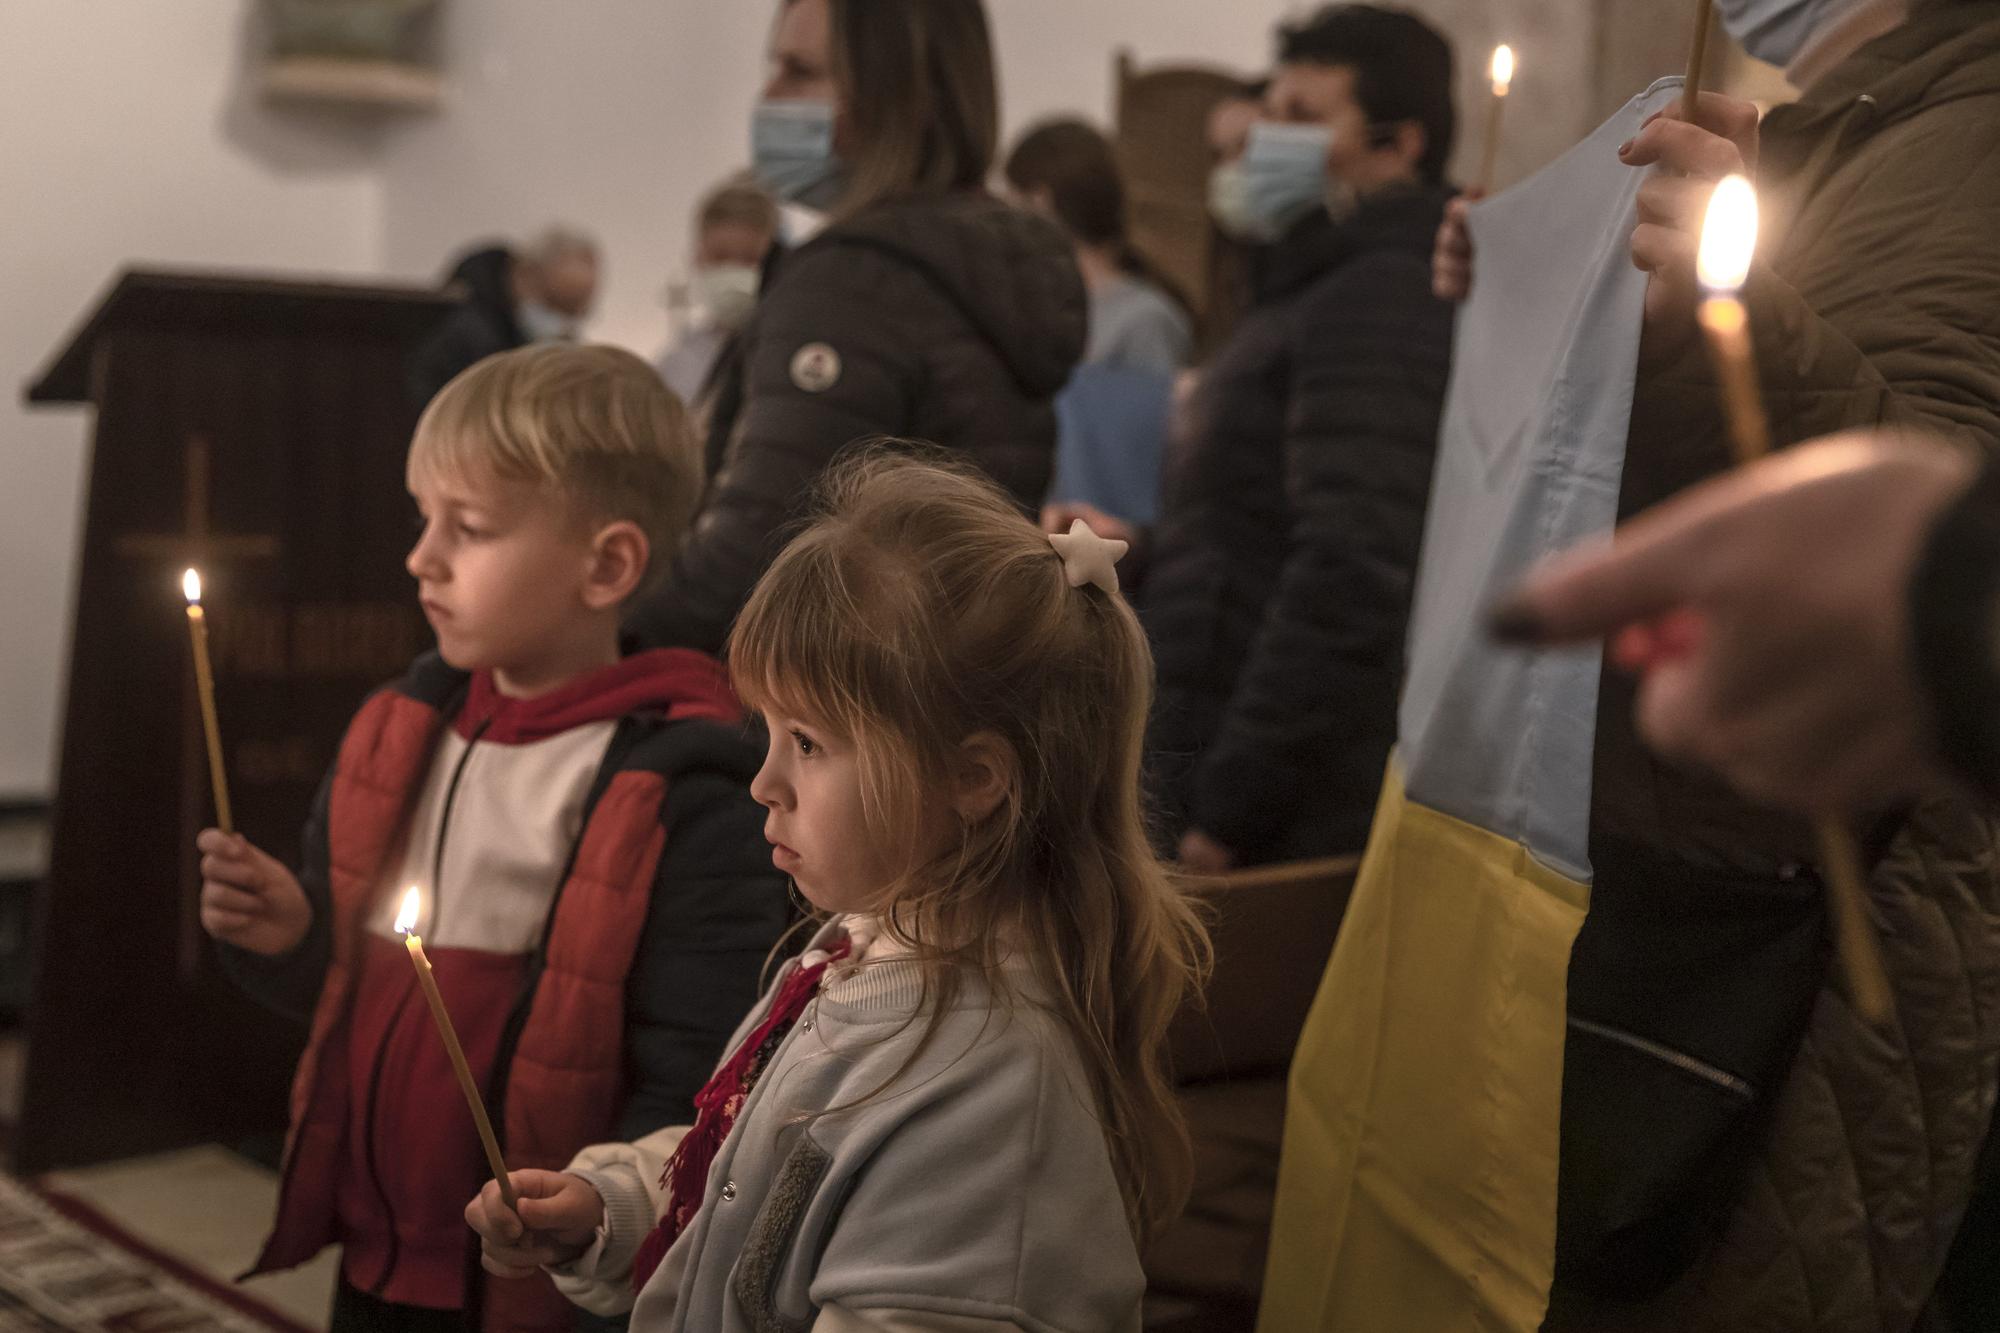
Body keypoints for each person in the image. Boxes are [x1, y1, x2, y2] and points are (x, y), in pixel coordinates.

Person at [1429, 1, 2000, 1326]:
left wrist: (1708, 323)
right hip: (1717, 866)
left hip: (1808, 914)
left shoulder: (1972, 137)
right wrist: (1545, 279)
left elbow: (1922, 520)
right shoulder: (1873, 127)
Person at [461, 454, 1208, 1331]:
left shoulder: (988, 1091)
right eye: (768, 732)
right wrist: (613, 1207)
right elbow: (758, 1176)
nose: (764, 781)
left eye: (809, 742)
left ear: (971, 777)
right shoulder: (860, 952)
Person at [196, 345, 793, 1332]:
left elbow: (693, 1077)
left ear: (606, 564)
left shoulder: (689, 791)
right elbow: (341, 990)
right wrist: (289, 934)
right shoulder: (396, 729)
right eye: (424, 517)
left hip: (541, 1282)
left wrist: (596, 1216)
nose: (421, 556)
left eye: (467, 529)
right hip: (378, 1239)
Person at [623, 0, 1086, 655]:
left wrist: (603, 638)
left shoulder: (853, 282)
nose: (770, 95)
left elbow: (757, 559)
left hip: (815, 703)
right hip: (926, 691)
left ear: (896, 93)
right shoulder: (974, 264)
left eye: (800, 70)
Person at [1143, 3, 1458, 872]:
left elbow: (1353, 559)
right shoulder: (1308, 286)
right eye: (1271, 110)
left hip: (1279, 809)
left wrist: (1235, 808)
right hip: (1215, 748)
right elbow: (1244, 528)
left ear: (1400, 145)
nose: (1264, 139)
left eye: (1303, 119)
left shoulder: (1383, 293)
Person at [408, 227, 603, 407]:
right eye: (556, 304)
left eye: (577, 311)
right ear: (525, 276)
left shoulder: (551, 343)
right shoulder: (461, 332)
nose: (564, 324)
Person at [656, 181, 779, 405]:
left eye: (750, 259)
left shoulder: (786, 351)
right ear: (697, 257)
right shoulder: (676, 366)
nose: (733, 270)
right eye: (720, 257)